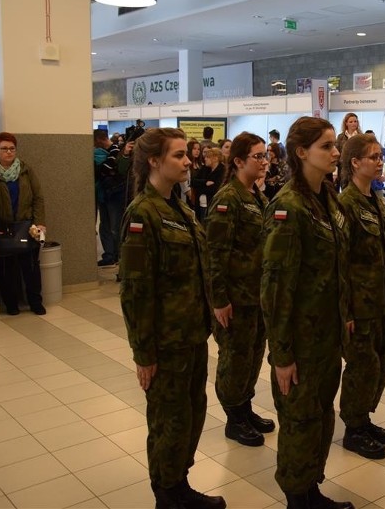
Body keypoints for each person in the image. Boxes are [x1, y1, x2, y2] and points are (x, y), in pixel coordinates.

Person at [118, 128, 225, 509]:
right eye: (179, 156)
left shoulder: (179, 208)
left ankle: (179, 484)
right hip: (165, 342)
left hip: (192, 336)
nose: (187, 162)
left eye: (187, 155)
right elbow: (135, 291)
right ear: (153, 161)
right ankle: (167, 494)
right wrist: (143, 353)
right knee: (169, 421)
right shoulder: (142, 214)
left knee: (192, 415)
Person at [261, 116, 353, 509]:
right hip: (299, 343)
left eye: (335, 146)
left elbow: (338, 267)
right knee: (299, 424)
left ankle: (311, 489)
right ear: (301, 153)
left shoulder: (328, 197)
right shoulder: (288, 208)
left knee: (319, 418)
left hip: (326, 338)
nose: (336, 153)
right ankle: (298, 498)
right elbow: (276, 290)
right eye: (327, 146)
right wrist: (281, 355)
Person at [205, 132, 276, 448]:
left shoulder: (257, 196)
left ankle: (244, 409)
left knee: (252, 356)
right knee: (234, 359)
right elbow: (215, 254)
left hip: (255, 297)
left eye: (265, 156)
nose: (264, 161)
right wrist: (219, 300)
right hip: (235, 298)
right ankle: (233, 419)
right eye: (258, 157)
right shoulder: (227, 199)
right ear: (238, 161)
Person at [337, 133, 385, 460]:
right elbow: (340, 262)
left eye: (380, 157)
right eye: (372, 157)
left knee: (379, 364)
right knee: (363, 366)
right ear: (354, 163)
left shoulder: (374, 199)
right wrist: (345, 311)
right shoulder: (346, 204)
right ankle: (353, 429)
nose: (379, 162)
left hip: (380, 303)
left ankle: (363, 418)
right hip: (359, 307)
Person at [0, 132, 47, 315]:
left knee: (31, 267)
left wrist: (39, 222)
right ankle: (11, 305)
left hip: (26, 227)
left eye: (12, 148)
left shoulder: (26, 170)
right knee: (4, 269)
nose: (9, 152)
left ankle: (36, 303)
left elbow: (38, 198)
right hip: (1, 229)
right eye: (4, 149)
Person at [94, 129, 127, 266]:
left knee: (115, 227)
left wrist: (106, 169)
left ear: (99, 139)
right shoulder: (111, 152)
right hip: (104, 194)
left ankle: (118, 255)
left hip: (114, 194)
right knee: (105, 226)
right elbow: (105, 170)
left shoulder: (117, 150)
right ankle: (109, 255)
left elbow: (105, 170)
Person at [192, 147, 225, 222]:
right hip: (200, 205)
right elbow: (193, 181)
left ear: (215, 158)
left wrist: (199, 188)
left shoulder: (222, 171)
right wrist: (205, 182)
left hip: (212, 206)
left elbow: (214, 189)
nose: (205, 159)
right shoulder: (205, 168)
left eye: (208, 157)